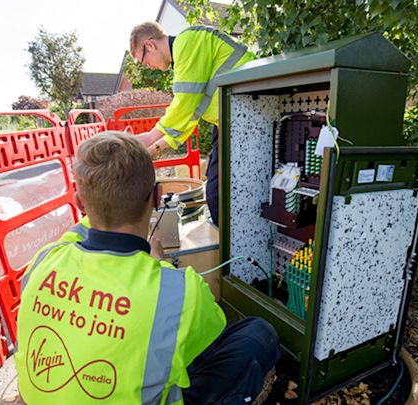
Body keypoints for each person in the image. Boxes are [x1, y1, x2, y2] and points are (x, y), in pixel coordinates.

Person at [15, 132, 280, 404]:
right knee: (258, 333)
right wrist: (161, 264)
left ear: (79, 203)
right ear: (157, 197)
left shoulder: (43, 260)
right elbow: (208, 344)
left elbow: (82, 230)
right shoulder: (180, 290)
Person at [129, 22, 255, 227]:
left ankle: (233, 249)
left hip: (243, 116)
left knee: (218, 194)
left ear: (150, 45)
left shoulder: (187, 41)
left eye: (143, 61)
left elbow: (184, 104)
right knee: (215, 190)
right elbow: (189, 116)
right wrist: (153, 149)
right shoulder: (185, 54)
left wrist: (150, 136)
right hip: (228, 120)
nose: (147, 66)